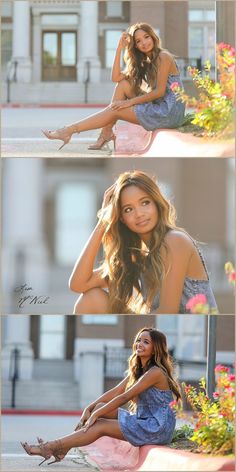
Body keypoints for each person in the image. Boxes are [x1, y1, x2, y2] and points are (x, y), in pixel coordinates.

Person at [21, 327, 181, 465]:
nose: (139, 344)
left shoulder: (155, 372)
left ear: (156, 348)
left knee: (101, 424)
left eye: (146, 342)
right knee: (98, 408)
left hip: (157, 427)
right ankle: (63, 449)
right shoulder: (140, 371)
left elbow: (124, 397)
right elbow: (115, 392)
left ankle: (50, 447)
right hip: (146, 420)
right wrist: (90, 409)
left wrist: (96, 414)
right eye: (139, 340)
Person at [69, 170, 218, 314]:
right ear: (121, 218)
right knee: (90, 299)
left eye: (145, 203)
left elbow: (168, 312)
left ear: (156, 203)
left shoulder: (175, 240)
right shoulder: (137, 257)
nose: (139, 214)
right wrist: (103, 222)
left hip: (173, 326)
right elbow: (78, 284)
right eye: (128, 210)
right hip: (153, 324)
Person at [42, 23, 185, 151]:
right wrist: (119, 49)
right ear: (135, 46)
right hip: (160, 106)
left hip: (168, 112)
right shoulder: (146, 61)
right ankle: (105, 132)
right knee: (123, 85)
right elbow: (116, 78)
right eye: (138, 41)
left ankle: (68, 131)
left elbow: (159, 92)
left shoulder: (163, 56)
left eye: (146, 37)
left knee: (115, 109)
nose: (144, 43)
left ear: (153, 37)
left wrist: (128, 102)